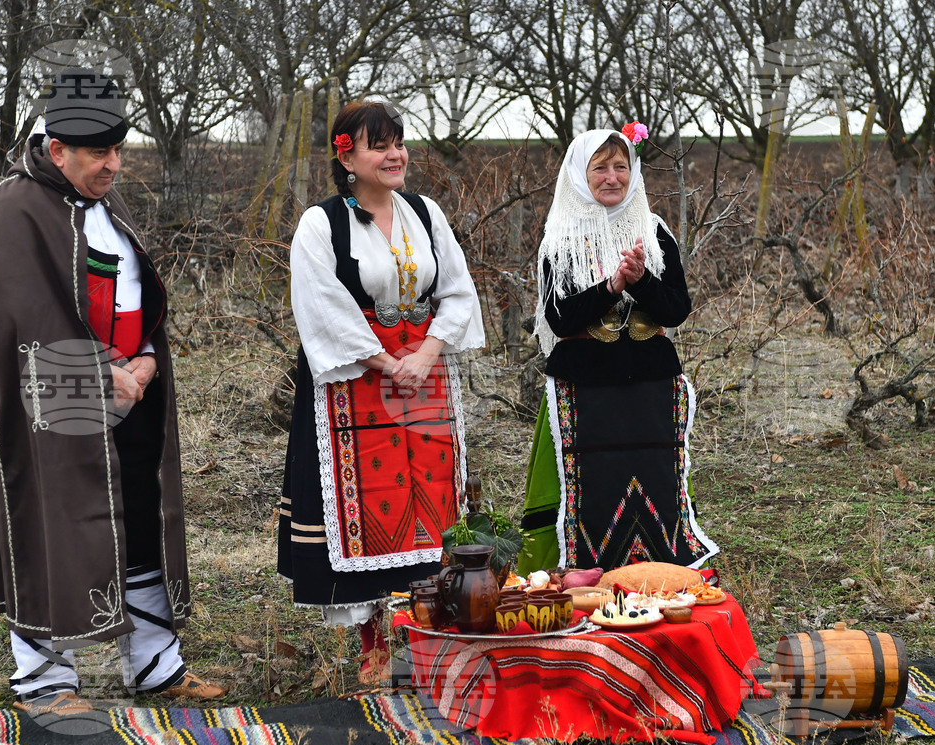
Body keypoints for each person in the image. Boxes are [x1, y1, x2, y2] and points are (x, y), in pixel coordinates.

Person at [0, 67, 224, 716]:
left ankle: (155, 665)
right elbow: (20, 314)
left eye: (119, 150)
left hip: (131, 395)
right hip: (50, 403)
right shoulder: (15, 206)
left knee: (139, 521)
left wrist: (143, 360)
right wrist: (94, 372)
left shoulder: (106, 199)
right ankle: (45, 683)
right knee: (52, 526)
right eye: (98, 153)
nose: (113, 164)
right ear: (56, 150)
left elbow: (135, 291)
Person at [278, 101, 484, 684]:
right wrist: (386, 362)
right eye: (380, 146)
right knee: (366, 507)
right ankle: (374, 642)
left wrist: (424, 355)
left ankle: (433, 632)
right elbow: (321, 305)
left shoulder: (425, 213)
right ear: (347, 156)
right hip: (358, 381)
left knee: (432, 501)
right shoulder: (322, 224)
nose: (396, 155)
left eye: (399, 142)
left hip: (425, 376)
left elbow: (457, 290)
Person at [519, 126, 719, 575]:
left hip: (650, 383)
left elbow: (676, 309)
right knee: (594, 485)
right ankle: (588, 574)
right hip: (587, 386)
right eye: (600, 168)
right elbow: (560, 318)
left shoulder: (652, 231)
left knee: (655, 481)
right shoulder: (561, 239)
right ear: (579, 174)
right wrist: (610, 287)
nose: (612, 177)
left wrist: (642, 280)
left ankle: (658, 574)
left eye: (620, 167)